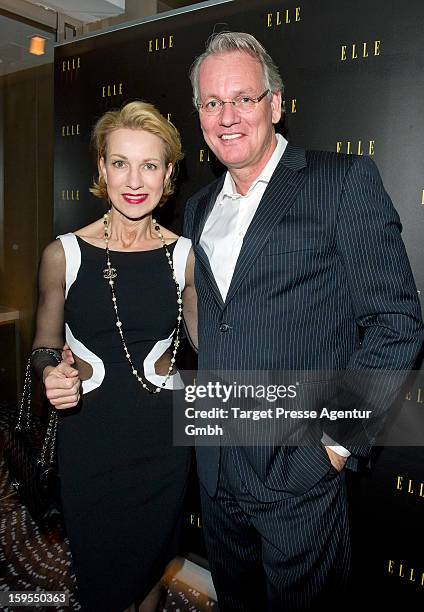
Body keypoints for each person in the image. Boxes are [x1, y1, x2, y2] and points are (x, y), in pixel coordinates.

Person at [183, 31, 424, 611]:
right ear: (199, 116)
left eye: (243, 98)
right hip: (216, 467)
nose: (228, 116)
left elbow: (396, 322)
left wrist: (332, 447)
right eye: (212, 103)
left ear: (275, 103)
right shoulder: (196, 208)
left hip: (299, 471)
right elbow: (209, 328)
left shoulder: (340, 182)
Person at [31, 101, 197, 612]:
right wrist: (50, 372)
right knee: (102, 578)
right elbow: (42, 344)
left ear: (168, 174)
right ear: (101, 168)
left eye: (150, 165)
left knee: (148, 575)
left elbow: (209, 345)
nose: (134, 179)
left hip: (163, 447)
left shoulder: (186, 255)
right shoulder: (64, 253)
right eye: (120, 162)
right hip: (91, 446)